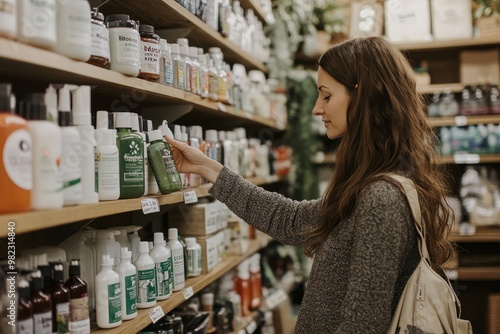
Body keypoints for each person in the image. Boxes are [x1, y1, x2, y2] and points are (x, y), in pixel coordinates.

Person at [165, 36, 454, 333]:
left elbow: (361, 327)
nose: (317, 109)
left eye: (326, 96)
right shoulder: (369, 184)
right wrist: (208, 168)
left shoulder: (381, 197)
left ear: (363, 95)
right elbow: (290, 220)